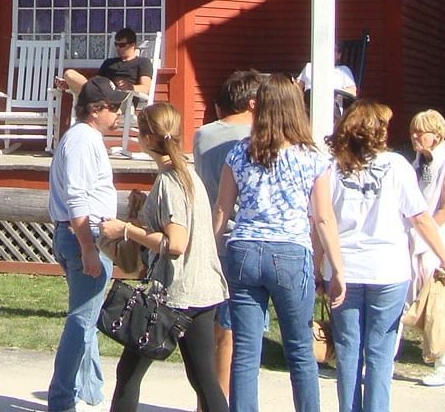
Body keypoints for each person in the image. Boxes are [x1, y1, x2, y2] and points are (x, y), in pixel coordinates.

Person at [213, 73, 345, 412]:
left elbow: (222, 208)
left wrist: (212, 254)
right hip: (289, 249)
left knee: (245, 349)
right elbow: (323, 217)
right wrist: (337, 269)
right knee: (300, 349)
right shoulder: (312, 157)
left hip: (243, 248)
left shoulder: (239, 153)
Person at [322, 101, 445, 412]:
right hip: (388, 270)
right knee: (381, 351)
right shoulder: (397, 166)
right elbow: (420, 217)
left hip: (344, 269)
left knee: (347, 350)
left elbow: (321, 222)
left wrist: (319, 267)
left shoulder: (332, 168)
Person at [100, 101, 230, 412]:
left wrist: (125, 231)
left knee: (129, 373)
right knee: (203, 379)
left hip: (177, 295)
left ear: (145, 138)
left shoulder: (170, 183)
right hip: (204, 289)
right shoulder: (188, 174)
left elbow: (176, 244)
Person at [46, 76, 123, 412]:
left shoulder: (85, 138)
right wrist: (89, 248)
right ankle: (62, 400)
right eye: (114, 107)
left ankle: (90, 392)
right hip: (84, 235)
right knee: (81, 320)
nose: (118, 113)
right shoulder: (82, 141)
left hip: (85, 235)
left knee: (87, 318)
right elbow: (77, 197)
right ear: (95, 110)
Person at [193, 69, 264, 399]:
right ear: (253, 103)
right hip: (244, 233)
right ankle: (224, 399)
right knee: (235, 331)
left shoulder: (202, 135)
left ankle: (207, 399)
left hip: (210, 233)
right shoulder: (257, 137)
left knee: (213, 327)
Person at [409, 108, 445, 387]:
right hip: (412, 239)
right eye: (413, 132)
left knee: (439, 304)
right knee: (404, 299)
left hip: (437, 239)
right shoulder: (417, 163)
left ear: (437, 134)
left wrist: (424, 230)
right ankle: (378, 361)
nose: (416, 137)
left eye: (421, 132)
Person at [57, 27, 153, 98]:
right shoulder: (109, 62)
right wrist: (70, 84)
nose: (118, 48)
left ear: (132, 45)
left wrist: (130, 87)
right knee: (69, 74)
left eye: (122, 45)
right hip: (101, 93)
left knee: (89, 91)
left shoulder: (143, 62)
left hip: (122, 99)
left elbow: (145, 88)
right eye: (116, 44)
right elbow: (95, 81)